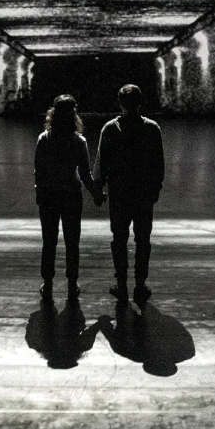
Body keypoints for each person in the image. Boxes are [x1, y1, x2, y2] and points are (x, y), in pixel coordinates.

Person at [95, 84, 165, 304]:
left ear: (120, 104)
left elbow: (101, 163)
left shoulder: (110, 128)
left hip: (119, 193)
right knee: (143, 239)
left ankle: (122, 283)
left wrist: (98, 189)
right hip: (143, 193)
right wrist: (155, 189)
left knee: (119, 239)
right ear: (140, 102)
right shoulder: (152, 128)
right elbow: (158, 164)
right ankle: (140, 284)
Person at [34, 94, 105, 303]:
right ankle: (72, 283)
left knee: (49, 241)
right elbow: (84, 174)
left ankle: (47, 282)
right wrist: (96, 194)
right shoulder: (78, 141)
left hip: (48, 195)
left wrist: (40, 194)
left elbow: (39, 171)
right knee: (72, 242)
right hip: (71, 196)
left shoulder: (44, 139)